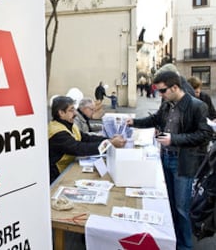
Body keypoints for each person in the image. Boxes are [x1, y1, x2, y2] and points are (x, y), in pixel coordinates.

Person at [126, 71, 213, 250]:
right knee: (169, 205)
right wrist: (133, 122)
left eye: (163, 90)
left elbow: (204, 135)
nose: (160, 94)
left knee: (182, 209)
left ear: (175, 87)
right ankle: (172, 241)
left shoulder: (197, 106)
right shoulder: (167, 103)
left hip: (183, 162)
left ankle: (185, 246)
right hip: (165, 157)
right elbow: (155, 119)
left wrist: (173, 139)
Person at [48, 96, 126, 183]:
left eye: (74, 109)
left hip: (68, 168)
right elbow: (79, 148)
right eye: (71, 110)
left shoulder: (69, 124)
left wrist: (109, 139)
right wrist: (109, 143)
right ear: (61, 113)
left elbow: (86, 138)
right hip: (57, 175)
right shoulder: (57, 132)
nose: (75, 113)